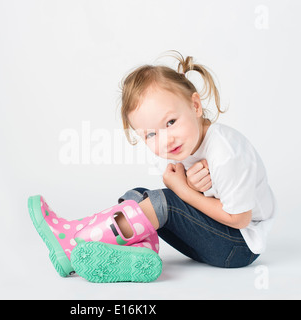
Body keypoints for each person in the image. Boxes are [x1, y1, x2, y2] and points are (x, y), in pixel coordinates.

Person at [28, 51, 276, 283]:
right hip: (218, 236)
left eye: (170, 121)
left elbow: (240, 218)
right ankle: (140, 255)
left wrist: (184, 190)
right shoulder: (178, 144)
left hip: (239, 247)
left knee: (163, 203)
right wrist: (189, 186)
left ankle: (74, 240)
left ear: (195, 106)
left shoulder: (225, 152)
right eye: (150, 135)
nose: (166, 139)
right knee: (136, 198)